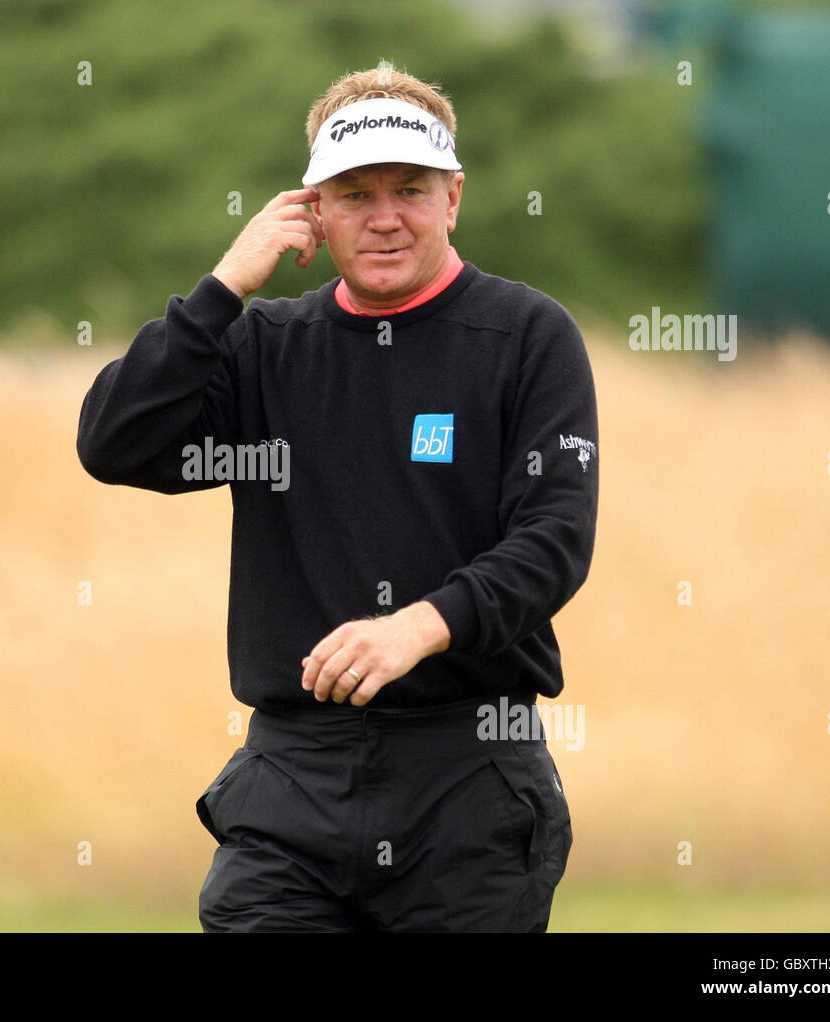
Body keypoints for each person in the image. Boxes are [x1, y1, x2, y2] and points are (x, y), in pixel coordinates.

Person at [75, 65, 599, 932]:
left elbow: (554, 540)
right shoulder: (265, 347)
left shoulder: (526, 337)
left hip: (469, 776)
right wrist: (222, 290)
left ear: (453, 198)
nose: (386, 216)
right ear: (313, 209)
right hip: (291, 783)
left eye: (410, 190)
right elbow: (112, 443)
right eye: (355, 194)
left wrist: (419, 626)